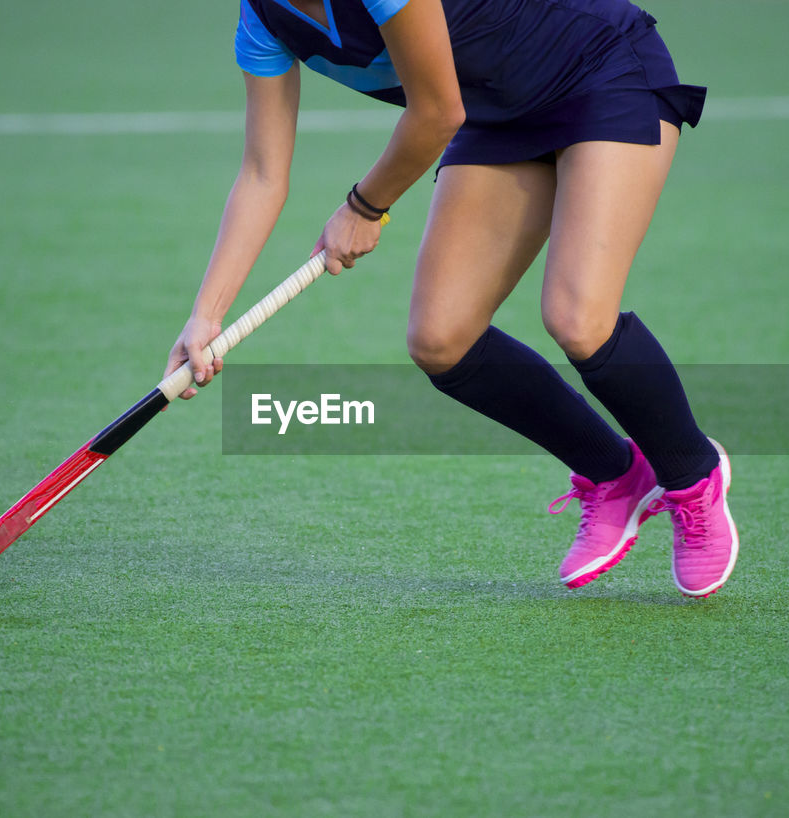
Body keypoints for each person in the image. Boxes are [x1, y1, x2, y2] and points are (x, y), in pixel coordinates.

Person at [164, 0, 739, 597]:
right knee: (442, 338)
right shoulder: (261, 20)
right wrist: (205, 316)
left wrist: (364, 206)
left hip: (597, 69)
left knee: (577, 318)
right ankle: (615, 476)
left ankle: (693, 476)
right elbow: (262, 173)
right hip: (497, 110)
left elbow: (437, 110)